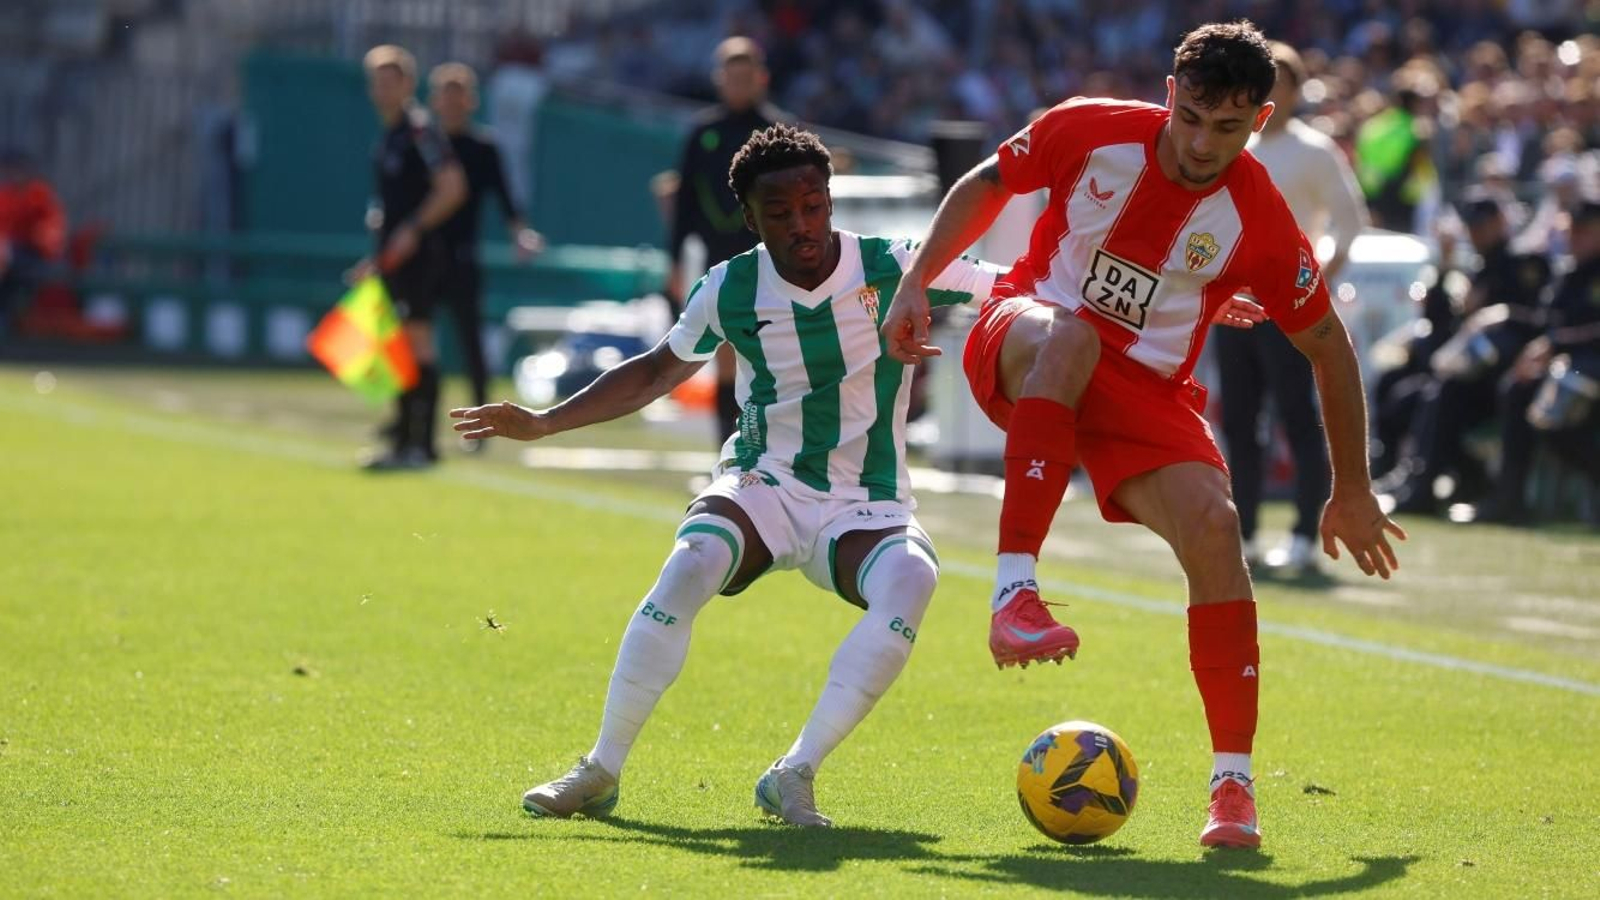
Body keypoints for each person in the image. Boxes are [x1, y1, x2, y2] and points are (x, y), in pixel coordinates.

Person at [880, 21, 1405, 850]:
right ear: (1170, 93)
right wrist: (917, 283)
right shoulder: (1091, 128)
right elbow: (987, 182)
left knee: (1217, 526)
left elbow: (1329, 350)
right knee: (1075, 334)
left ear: (1259, 122)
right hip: (1028, 333)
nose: (1201, 143)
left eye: (1227, 128)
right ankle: (1014, 593)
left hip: (1147, 389)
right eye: (1191, 116)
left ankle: (1233, 788)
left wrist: (1351, 488)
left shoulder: (1259, 218)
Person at [449, 125, 1000, 827]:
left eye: (815, 205)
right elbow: (656, 370)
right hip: (764, 481)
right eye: (781, 213)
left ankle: (794, 773)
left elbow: (1012, 285)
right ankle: (600, 768)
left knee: (914, 579)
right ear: (750, 218)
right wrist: (545, 421)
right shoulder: (729, 288)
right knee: (692, 560)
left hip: (868, 499)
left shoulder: (898, 265)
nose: (802, 225)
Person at [1214, 42, 1368, 574]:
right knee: (1239, 421)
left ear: (1296, 90)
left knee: (1300, 418)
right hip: (1235, 305)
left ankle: (1305, 533)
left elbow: (1349, 226)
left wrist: (1311, 287)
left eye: (1279, 81)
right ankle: (1248, 533)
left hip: (1290, 311)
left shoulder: (1314, 150)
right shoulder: (1237, 145)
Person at [1383, 193, 1552, 514]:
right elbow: (1440, 325)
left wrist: (1502, 313)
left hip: (1503, 378)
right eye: (1472, 228)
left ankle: (1424, 489)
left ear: (1500, 223)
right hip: (1468, 376)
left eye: (1483, 226)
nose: (1477, 234)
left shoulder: (1525, 263)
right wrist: (1444, 270)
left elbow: (1543, 320)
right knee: (1404, 394)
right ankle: (1411, 477)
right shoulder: (1474, 271)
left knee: (1442, 396)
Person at [666, 37, 784, 448]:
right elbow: (684, 201)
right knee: (728, 354)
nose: (738, 84)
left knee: (775, 351)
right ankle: (728, 447)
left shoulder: (776, 131)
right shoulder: (703, 132)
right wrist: (675, 261)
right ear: (720, 80)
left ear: (761, 79)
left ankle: (777, 449)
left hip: (771, 259)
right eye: (731, 76)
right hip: (719, 260)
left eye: (746, 76)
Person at [354, 45, 468, 470]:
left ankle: (420, 444)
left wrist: (413, 230)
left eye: (391, 80)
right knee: (398, 347)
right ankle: (404, 439)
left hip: (420, 258)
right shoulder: (390, 137)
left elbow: (452, 187)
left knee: (417, 344)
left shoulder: (421, 132)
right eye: (377, 82)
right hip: (396, 259)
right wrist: (378, 255)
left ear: (407, 84)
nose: (383, 90)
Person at [428, 62, 545, 443]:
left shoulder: (483, 147)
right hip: (422, 255)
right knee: (414, 342)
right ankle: (415, 421)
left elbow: (505, 196)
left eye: (458, 96)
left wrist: (520, 233)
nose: (451, 104)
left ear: (471, 101)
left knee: (470, 341)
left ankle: (480, 421)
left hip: (462, 255)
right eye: (445, 96)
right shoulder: (425, 144)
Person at [1473, 200, 1600, 525]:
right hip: (1565, 370)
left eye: (1585, 232)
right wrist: (1506, 315)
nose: (1576, 238)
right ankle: (1510, 498)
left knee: (1559, 417)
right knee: (1516, 389)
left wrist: (1554, 344)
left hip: (1589, 374)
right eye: (1573, 231)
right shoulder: (1569, 273)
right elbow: (1545, 322)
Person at [0, 149, 66, 342]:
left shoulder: (39, 196)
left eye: (16, 169)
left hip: (33, 256)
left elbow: (51, 235)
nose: (12, 174)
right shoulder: (4, 195)